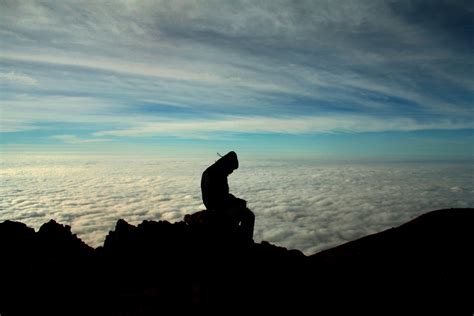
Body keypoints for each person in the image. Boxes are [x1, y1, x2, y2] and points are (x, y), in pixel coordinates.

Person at [201, 151, 254, 241]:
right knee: (248, 215)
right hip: (217, 208)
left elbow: (222, 194)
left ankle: (236, 235)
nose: (231, 172)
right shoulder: (214, 174)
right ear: (226, 164)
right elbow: (215, 198)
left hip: (218, 205)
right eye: (231, 169)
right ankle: (245, 242)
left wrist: (235, 200)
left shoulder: (217, 172)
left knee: (241, 206)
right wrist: (234, 201)